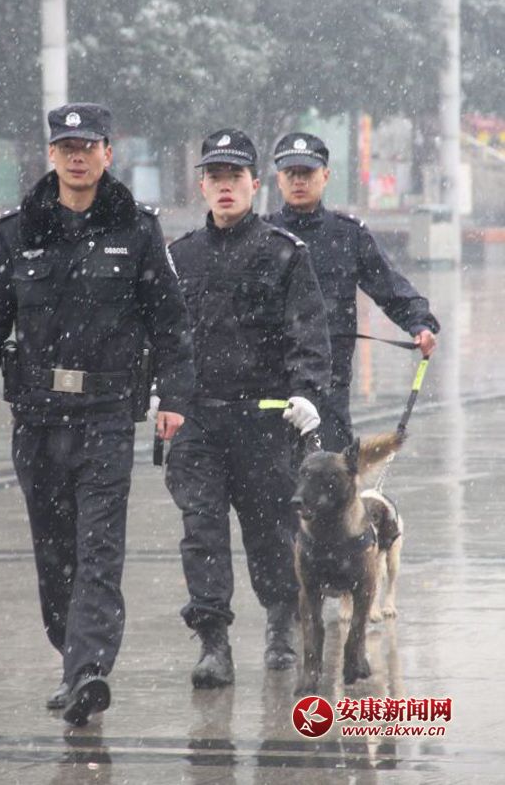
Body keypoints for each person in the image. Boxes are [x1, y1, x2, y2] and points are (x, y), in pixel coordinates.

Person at [0, 103, 194, 726]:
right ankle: (72, 658)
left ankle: (89, 668)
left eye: (88, 146)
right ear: (52, 156)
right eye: (67, 148)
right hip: (37, 418)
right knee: (54, 551)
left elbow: (171, 322)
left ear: (108, 153)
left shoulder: (137, 229)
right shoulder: (19, 230)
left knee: (99, 549)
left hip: (107, 416)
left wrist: (174, 398)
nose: (78, 157)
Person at [164, 128, 331, 687]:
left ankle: (282, 620)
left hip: (264, 420)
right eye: (215, 176)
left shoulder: (284, 253)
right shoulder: (179, 256)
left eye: (235, 176)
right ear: (202, 186)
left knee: (270, 531)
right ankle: (213, 641)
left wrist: (306, 393)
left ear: (255, 184)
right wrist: (157, 391)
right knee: (202, 530)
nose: (225, 186)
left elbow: (308, 333)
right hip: (198, 420)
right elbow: (162, 336)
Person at [266, 132, 439, 451]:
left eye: (307, 173)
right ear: (279, 179)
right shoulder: (263, 236)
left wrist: (419, 324)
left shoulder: (348, 234)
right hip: (271, 383)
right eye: (291, 173)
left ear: (325, 176)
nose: (299, 181)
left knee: (333, 471)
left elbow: (389, 287)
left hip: (330, 385)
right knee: (273, 475)